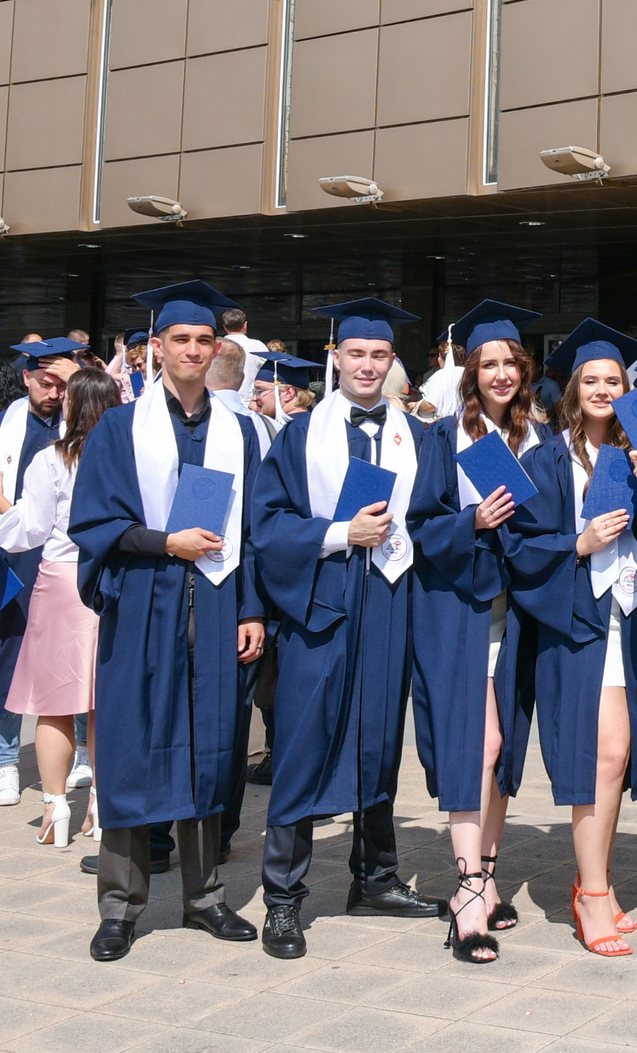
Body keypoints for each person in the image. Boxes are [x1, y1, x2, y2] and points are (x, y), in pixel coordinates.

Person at [68, 281, 269, 960]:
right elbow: (95, 522)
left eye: (202, 339)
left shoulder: (238, 430)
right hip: (143, 601)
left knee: (210, 751)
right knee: (130, 751)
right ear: (157, 347)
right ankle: (121, 905)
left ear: (217, 347)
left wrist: (250, 608)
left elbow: (254, 531)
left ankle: (205, 896)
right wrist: (166, 542)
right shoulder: (121, 429)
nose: (191, 349)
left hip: (214, 609)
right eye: (179, 338)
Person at [252, 299, 435, 958]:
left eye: (378, 354)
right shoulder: (300, 436)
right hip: (321, 608)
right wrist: (338, 533)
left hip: (388, 606)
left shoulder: (417, 434)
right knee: (305, 744)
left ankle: (376, 878)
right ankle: (283, 897)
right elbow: (265, 526)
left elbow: (440, 511)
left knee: (378, 743)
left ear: (391, 362)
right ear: (335, 356)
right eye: (355, 352)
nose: (366, 364)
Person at [509, 319, 637, 957]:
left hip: (628, 617)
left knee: (621, 753)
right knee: (598, 756)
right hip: (575, 620)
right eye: (593, 380)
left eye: (615, 380)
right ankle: (595, 894)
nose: (604, 389)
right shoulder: (544, 458)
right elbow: (519, 547)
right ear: (573, 389)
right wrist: (577, 543)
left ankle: (592, 880)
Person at [407, 300, 541, 964]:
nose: (498, 374)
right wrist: (475, 523)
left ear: (523, 369)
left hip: (516, 616)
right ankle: (466, 887)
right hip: (457, 610)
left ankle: (487, 875)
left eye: (508, 363)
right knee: (476, 742)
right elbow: (422, 526)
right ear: (470, 371)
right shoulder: (442, 439)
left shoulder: (541, 440)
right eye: (486, 363)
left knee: (505, 748)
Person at [0, 367, 118, 847]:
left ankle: (55, 807)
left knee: (54, 706)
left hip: (60, 581)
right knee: (104, 704)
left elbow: (28, 532)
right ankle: (100, 803)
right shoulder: (127, 458)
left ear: (73, 406)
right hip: (113, 579)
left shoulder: (53, 459)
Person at [0, 341, 84, 805]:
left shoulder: (86, 426)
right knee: (10, 657)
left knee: (79, 656)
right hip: (11, 558)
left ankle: (84, 754)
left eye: (62, 384)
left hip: (67, 558)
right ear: (26, 378)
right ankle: (7, 762)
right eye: (45, 382)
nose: (53, 393)